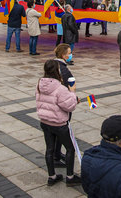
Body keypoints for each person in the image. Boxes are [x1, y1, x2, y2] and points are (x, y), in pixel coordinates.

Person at [36, 59, 80, 187]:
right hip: (59, 123)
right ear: (57, 71)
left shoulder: (40, 84)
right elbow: (69, 106)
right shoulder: (60, 88)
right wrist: (73, 93)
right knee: (70, 149)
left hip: (45, 121)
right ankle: (70, 176)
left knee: (49, 149)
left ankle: (52, 176)